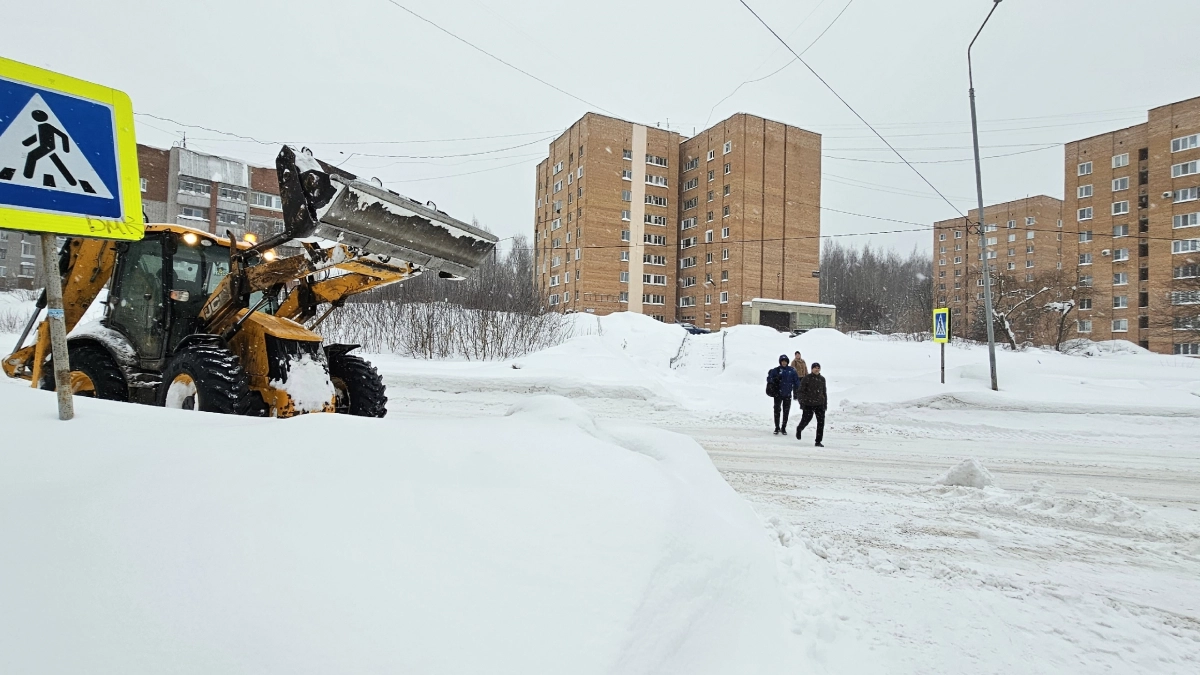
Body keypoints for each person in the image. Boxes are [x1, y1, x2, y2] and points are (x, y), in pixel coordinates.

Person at [795, 362, 827, 447]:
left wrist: (825, 404)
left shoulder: (822, 379)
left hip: (820, 404)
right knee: (806, 419)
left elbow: (824, 392)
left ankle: (818, 441)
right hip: (808, 404)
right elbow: (800, 391)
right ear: (812, 369)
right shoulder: (806, 378)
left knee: (821, 422)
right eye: (815, 367)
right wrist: (802, 402)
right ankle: (799, 429)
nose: (817, 369)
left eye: (818, 368)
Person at [767, 354, 800, 435]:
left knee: (786, 411)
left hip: (787, 394)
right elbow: (769, 379)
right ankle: (777, 427)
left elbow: (797, 382)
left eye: (785, 361)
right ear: (780, 362)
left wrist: (797, 391)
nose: (784, 363)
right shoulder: (776, 370)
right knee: (777, 410)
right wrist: (775, 379)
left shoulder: (792, 370)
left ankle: (783, 427)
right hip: (777, 394)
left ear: (787, 362)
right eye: (782, 361)